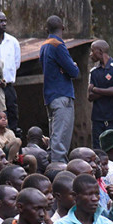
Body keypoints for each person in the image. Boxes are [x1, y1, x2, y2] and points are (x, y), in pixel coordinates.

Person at [40, 16, 80, 163]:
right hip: (62, 95)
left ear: (46, 29)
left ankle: (51, 168)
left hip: (50, 96)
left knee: (54, 137)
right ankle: (58, 172)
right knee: (60, 140)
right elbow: (74, 72)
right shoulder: (58, 45)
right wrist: (73, 65)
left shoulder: (44, 45)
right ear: (63, 27)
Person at [87, 40, 113, 147]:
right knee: (98, 150)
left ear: (100, 51)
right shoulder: (93, 72)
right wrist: (109, 90)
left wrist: (96, 89)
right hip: (98, 119)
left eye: (92, 51)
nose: (90, 54)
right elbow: (90, 97)